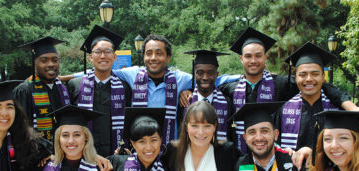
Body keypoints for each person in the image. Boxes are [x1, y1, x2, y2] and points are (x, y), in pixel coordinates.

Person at [217, 27, 358, 153]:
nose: (253, 60)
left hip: (274, 158)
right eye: (248, 56)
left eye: (258, 55)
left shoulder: (281, 84)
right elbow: (209, 91)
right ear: (242, 59)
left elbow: (317, 86)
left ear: (265, 57)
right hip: (241, 156)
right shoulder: (232, 88)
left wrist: (348, 103)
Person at [112, 34, 236, 143]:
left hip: (169, 149)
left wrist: (244, 76)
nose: (153, 58)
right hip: (141, 146)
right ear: (143, 56)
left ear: (168, 57)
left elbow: (207, 79)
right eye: (148, 53)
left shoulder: (179, 79)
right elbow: (105, 73)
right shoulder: (132, 74)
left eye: (159, 53)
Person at [275, 42, 359, 170]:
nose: (309, 79)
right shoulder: (284, 110)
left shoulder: (337, 109)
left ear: (323, 77)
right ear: (295, 78)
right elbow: (275, 143)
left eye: (315, 74)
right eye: (302, 74)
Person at [68, 25, 133, 157]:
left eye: (108, 51)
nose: (103, 56)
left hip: (115, 155)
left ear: (114, 57)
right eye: (98, 52)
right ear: (91, 57)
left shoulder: (124, 87)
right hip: (83, 156)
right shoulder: (75, 85)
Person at [14, 36, 71, 142]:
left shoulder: (63, 89)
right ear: (34, 64)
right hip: (35, 154)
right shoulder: (24, 90)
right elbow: (22, 129)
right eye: (44, 60)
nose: (51, 64)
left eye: (55, 60)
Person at [178, 50, 233, 141]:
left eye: (210, 73)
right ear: (195, 75)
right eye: (200, 73)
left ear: (216, 75)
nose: (205, 77)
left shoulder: (227, 103)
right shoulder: (184, 102)